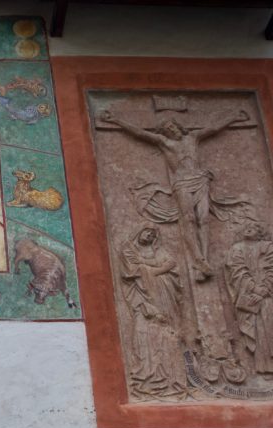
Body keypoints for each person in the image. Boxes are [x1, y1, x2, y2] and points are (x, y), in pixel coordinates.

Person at [102, 108, 250, 281]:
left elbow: (214, 128)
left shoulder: (193, 138)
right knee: (188, 220)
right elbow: (140, 134)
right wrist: (116, 120)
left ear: (178, 126)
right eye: (166, 128)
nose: (170, 129)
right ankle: (198, 259)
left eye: (172, 126)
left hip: (200, 180)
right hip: (181, 183)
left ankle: (204, 258)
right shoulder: (164, 142)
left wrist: (234, 117)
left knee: (204, 219)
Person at [120, 226, 187, 397]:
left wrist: (150, 268)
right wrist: (155, 268)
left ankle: (171, 377)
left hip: (165, 294)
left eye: (153, 234)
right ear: (139, 231)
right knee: (145, 333)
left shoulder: (159, 250)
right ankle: (150, 375)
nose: (149, 235)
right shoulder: (129, 249)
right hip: (143, 299)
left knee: (168, 331)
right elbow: (132, 271)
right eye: (147, 231)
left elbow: (171, 263)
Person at [225, 221, 273, 376]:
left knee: (268, 323)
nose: (248, 228)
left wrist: (264, 290)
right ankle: (264, 367)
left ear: (260, 232)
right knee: (257, 328)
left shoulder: (268, 247)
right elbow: (237, 271)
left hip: (267, 295)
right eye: (246, 227)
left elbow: (271, 268)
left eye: (253, 227)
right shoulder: (236, 248)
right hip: (247, 295)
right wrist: (253, 288)